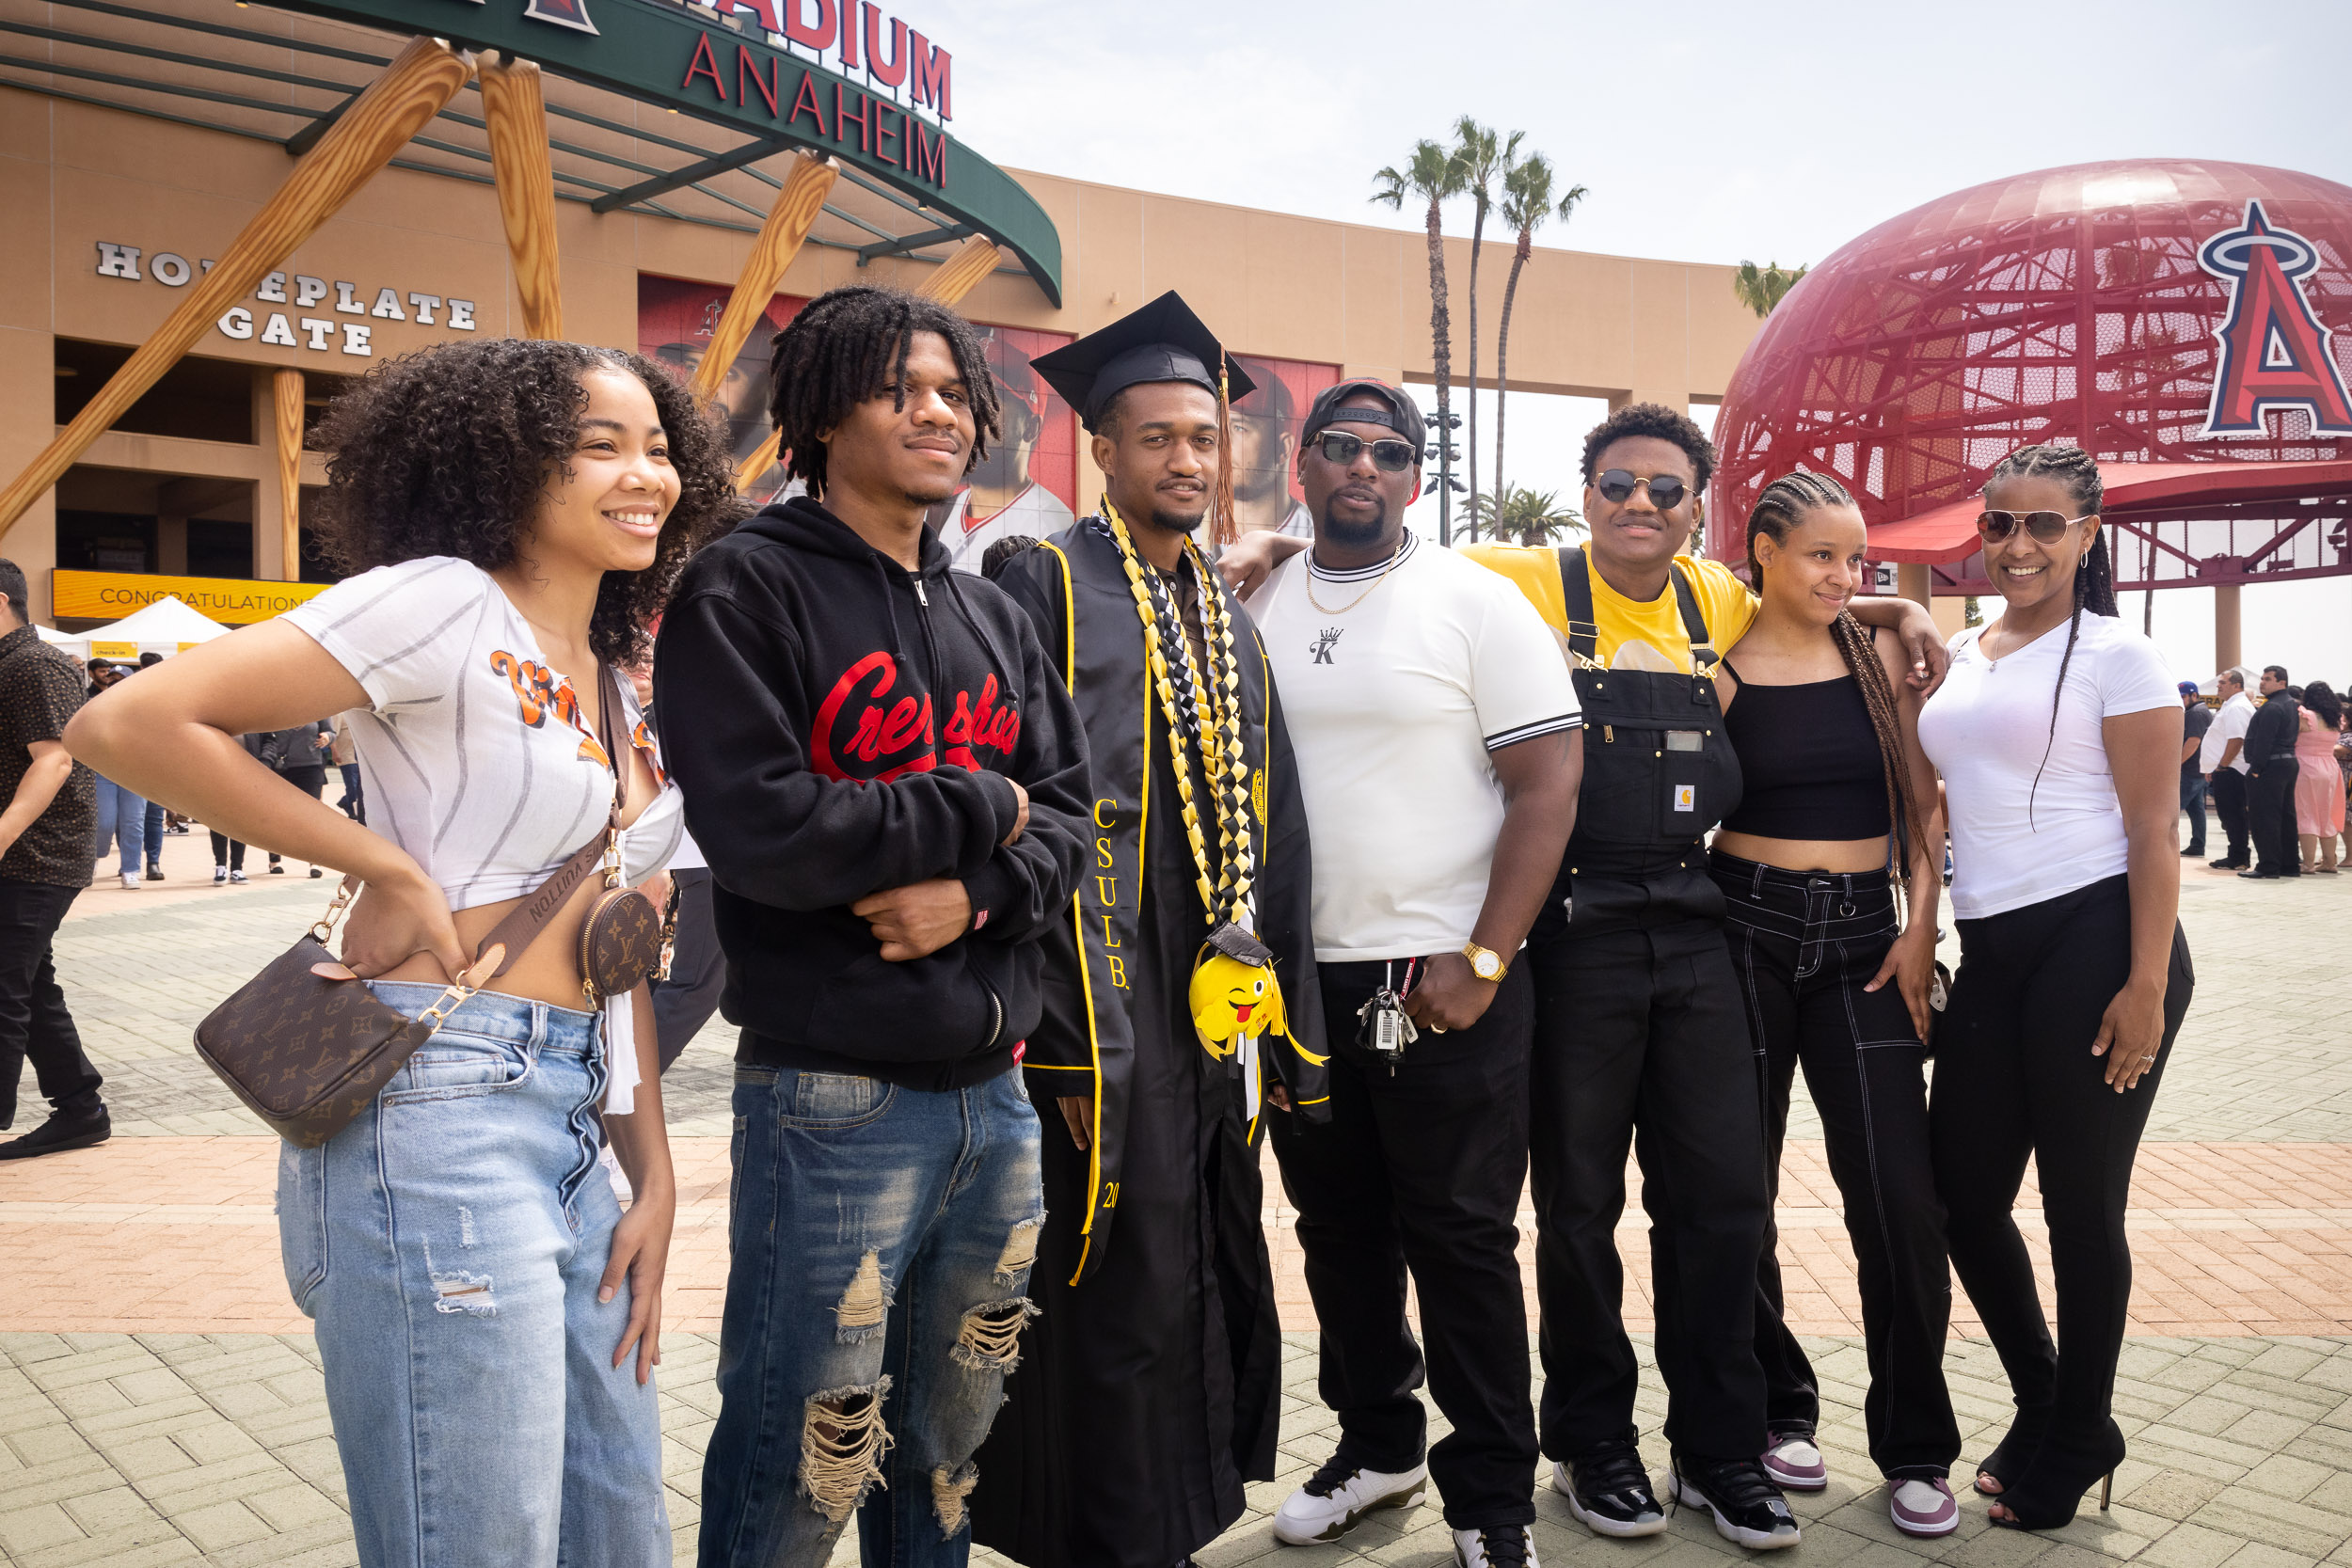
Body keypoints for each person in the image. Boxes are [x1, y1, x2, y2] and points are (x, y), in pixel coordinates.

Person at [1217, 404, 1949, 1551]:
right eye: (1617, 485)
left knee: (1720, 1203)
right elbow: (1372, 558)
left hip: (1698, 926)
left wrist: (1893, 603)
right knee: (1575, 1211)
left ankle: (1718, 1447)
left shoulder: (1717, 595)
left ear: (1698, 508)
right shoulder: (1510, 575)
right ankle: (1591, 1445)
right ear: (1585, 491)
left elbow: (1813, 592)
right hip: (1573, 937)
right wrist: (1271, 547)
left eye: (1665, 491)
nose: (1639, 508)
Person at [67, 337, 737, 1566]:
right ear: (501, 462)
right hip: (442, 1108)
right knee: (478, 1536)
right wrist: (379, 861)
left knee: (619, 1529)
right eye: (601, 444)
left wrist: (654, 1178)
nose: (643, 472)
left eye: (657, 446)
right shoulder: (438, 600)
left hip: (583, 1114)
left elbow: (623, 948)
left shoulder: (614, 681)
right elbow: (128, 719)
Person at [656, 285, 1089, 1568]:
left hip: (996, 1098)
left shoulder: (995, 614)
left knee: (951, 1445)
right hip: (830, 1097)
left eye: (955, 391)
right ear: (820, 410)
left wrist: (979, 888)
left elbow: (1071, 821)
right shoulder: (744, 585)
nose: (938, 410)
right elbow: (764, 828)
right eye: (902, 386)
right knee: (809, 1447)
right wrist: (977, 800)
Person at [969, 293, 1331, 1568]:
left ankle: (1166, 1527)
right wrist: (1066, 1045)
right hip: (1105, 1021)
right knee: (1105, 1285)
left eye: (1203, 435)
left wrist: (1288, 1035)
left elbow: (1273, 828)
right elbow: (1025, 822)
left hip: (1206, 1022)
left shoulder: (1224, 617)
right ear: (1105, 453)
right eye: (1155, 437)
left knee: (1193, 1267)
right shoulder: (1043, 583)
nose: (1187, 457)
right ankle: (1100, 1535)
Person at [1250, 378, 1581, 1568]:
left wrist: (1486, 952)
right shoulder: (1257, 597)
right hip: (1294, 981)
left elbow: (1548, 786)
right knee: (1335, 1230)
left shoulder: (1475, 603)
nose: (1364, 466)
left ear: (1414, 479)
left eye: (1390, 452)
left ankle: (1492, 1497)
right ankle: (1377, 1440)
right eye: (1340, 445)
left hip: (1444, 975)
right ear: (1304, 462)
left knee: (1459, 1239)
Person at [1919, 444, 2192, 1532]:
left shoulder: (2121, 656)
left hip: (2098, 939)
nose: (2018, 545)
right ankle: (2050, 1399)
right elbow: (1940, 795)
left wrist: (2143, 984)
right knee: (1957, 1195)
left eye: (2043, 525)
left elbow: (2151, 831)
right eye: (1999, 524)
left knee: (2082, 1207)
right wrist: (1916, 926)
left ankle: (2080, 1422)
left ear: (2087, 534)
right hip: (1993, 949)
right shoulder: (1959, 648)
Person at [1710, 473, 1961, 1538]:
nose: (1843, 576)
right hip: (1740, 930)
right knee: (1737, 1188)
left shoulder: (1877, 660)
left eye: (1855, 560)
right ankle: (1777, 1408)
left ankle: (1914, 1442)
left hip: (1869, 935)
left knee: (1899, 1196)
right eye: (1820, 554)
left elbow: (1924, 806)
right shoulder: (1712, 654)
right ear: (1763, 551)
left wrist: (1918, 924)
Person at [0, 560, 105, 1161]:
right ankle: (80, 1109)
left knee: (5, 985)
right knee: (31, 986)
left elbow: (55, 760)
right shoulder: (10, 665)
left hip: (37, 854)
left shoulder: (32, 664)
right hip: (23, 854)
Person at [942, 329, 1078, 572]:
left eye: (989, 400)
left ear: (1031, 428)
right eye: (962, 398)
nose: (971, 414)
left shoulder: (1053, 526)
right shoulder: (943, 509)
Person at [1229, 362, 1312, 537]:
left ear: (1283, 448)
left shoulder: (1319, 537)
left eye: (1239, 428)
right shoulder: (1187, 530)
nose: (1222, 443)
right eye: (1216, 429)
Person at [84, 662, 143, 893]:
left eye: (120, 679)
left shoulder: (143, 707)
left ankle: (131, 870)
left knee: (133, 823)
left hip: (135, 773)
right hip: (103, 770)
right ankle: (96, 856)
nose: (114, 683)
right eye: (112, 679)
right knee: (103, 822)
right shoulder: (95, 705)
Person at [2241, 665, 2301, 880]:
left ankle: (2268, 865)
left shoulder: (2273, 707)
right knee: (2286, 816)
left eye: (2267, 679)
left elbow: (2264, 741)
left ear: (2281, 683)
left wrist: (2256, 769)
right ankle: (2290, 864)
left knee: (2265, 817)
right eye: (2262, 678)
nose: (2262, 682)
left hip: (2270, 766)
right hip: (2287, 764)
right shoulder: (2289, 704)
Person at [262, 721, 333, 878]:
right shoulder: (278, 707)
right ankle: (274, 859)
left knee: (313, 815)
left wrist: (327, 737)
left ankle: (316, 861)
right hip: (281, 767)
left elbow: (331, 732)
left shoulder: (317, 707)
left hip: (311, 766)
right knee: (277, 815)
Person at [2201, 667, 2256, 870]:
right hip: (2227, 768)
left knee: (2233, 815)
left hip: (2233, 769)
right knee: (2231, 816)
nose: (2218, 685)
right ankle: (2237, 855)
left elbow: (2236, 739)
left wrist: (2222, 765)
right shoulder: (2231, 705)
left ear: (2237, 685)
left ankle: (2239, 857)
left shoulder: (2237, 707)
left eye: (2223, 682)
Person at [2296, 681, 2344, 873]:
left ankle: (2308, 863)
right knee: (2327, 814)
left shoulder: (2305, 715)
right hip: (2330, 767)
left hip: (2306, 766)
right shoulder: (2335, 719)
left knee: (2306, 813)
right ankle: (2329, 862)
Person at [2177, 683, 2213, 859]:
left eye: (2183, 697)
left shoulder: (2195, 713)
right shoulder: (2200, 711)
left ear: (2194, 696)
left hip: (2191, 770)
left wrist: (2177, 764)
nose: (2181, 700)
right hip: (2198, 769)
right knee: (2196, 810)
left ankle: (2161, 845)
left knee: (2172, 809)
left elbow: (2193, 741)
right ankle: (2198, 845)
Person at [331, 714, 364, 822]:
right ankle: (352, 811)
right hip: (346, 756)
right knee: (352, 787)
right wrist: (335, 752)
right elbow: (333, 733)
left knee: (359, 787)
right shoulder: (339, 714)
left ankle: (346, 803)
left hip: (357, 757)